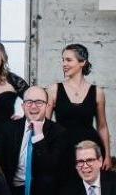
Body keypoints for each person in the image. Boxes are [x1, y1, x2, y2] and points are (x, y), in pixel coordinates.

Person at [0, 86, 66, 195]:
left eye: (39, 102)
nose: (33, 106)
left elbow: (50, 167)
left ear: (47, 106)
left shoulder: (58, 132)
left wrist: (39, 136)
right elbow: (0, 166)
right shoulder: (8, 129)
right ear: (22, 106)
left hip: (45, 193)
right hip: (15, 189)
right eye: (29, 102)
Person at [46, 43, 112, 173]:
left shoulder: (98, 92)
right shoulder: (53, 90)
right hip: (62, 149)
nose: (64, 64)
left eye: (69, 60)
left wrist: (108, 156)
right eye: (63, 60)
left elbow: (102, 126)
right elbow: (45, 125)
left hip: (91, 149)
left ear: (82, 62)